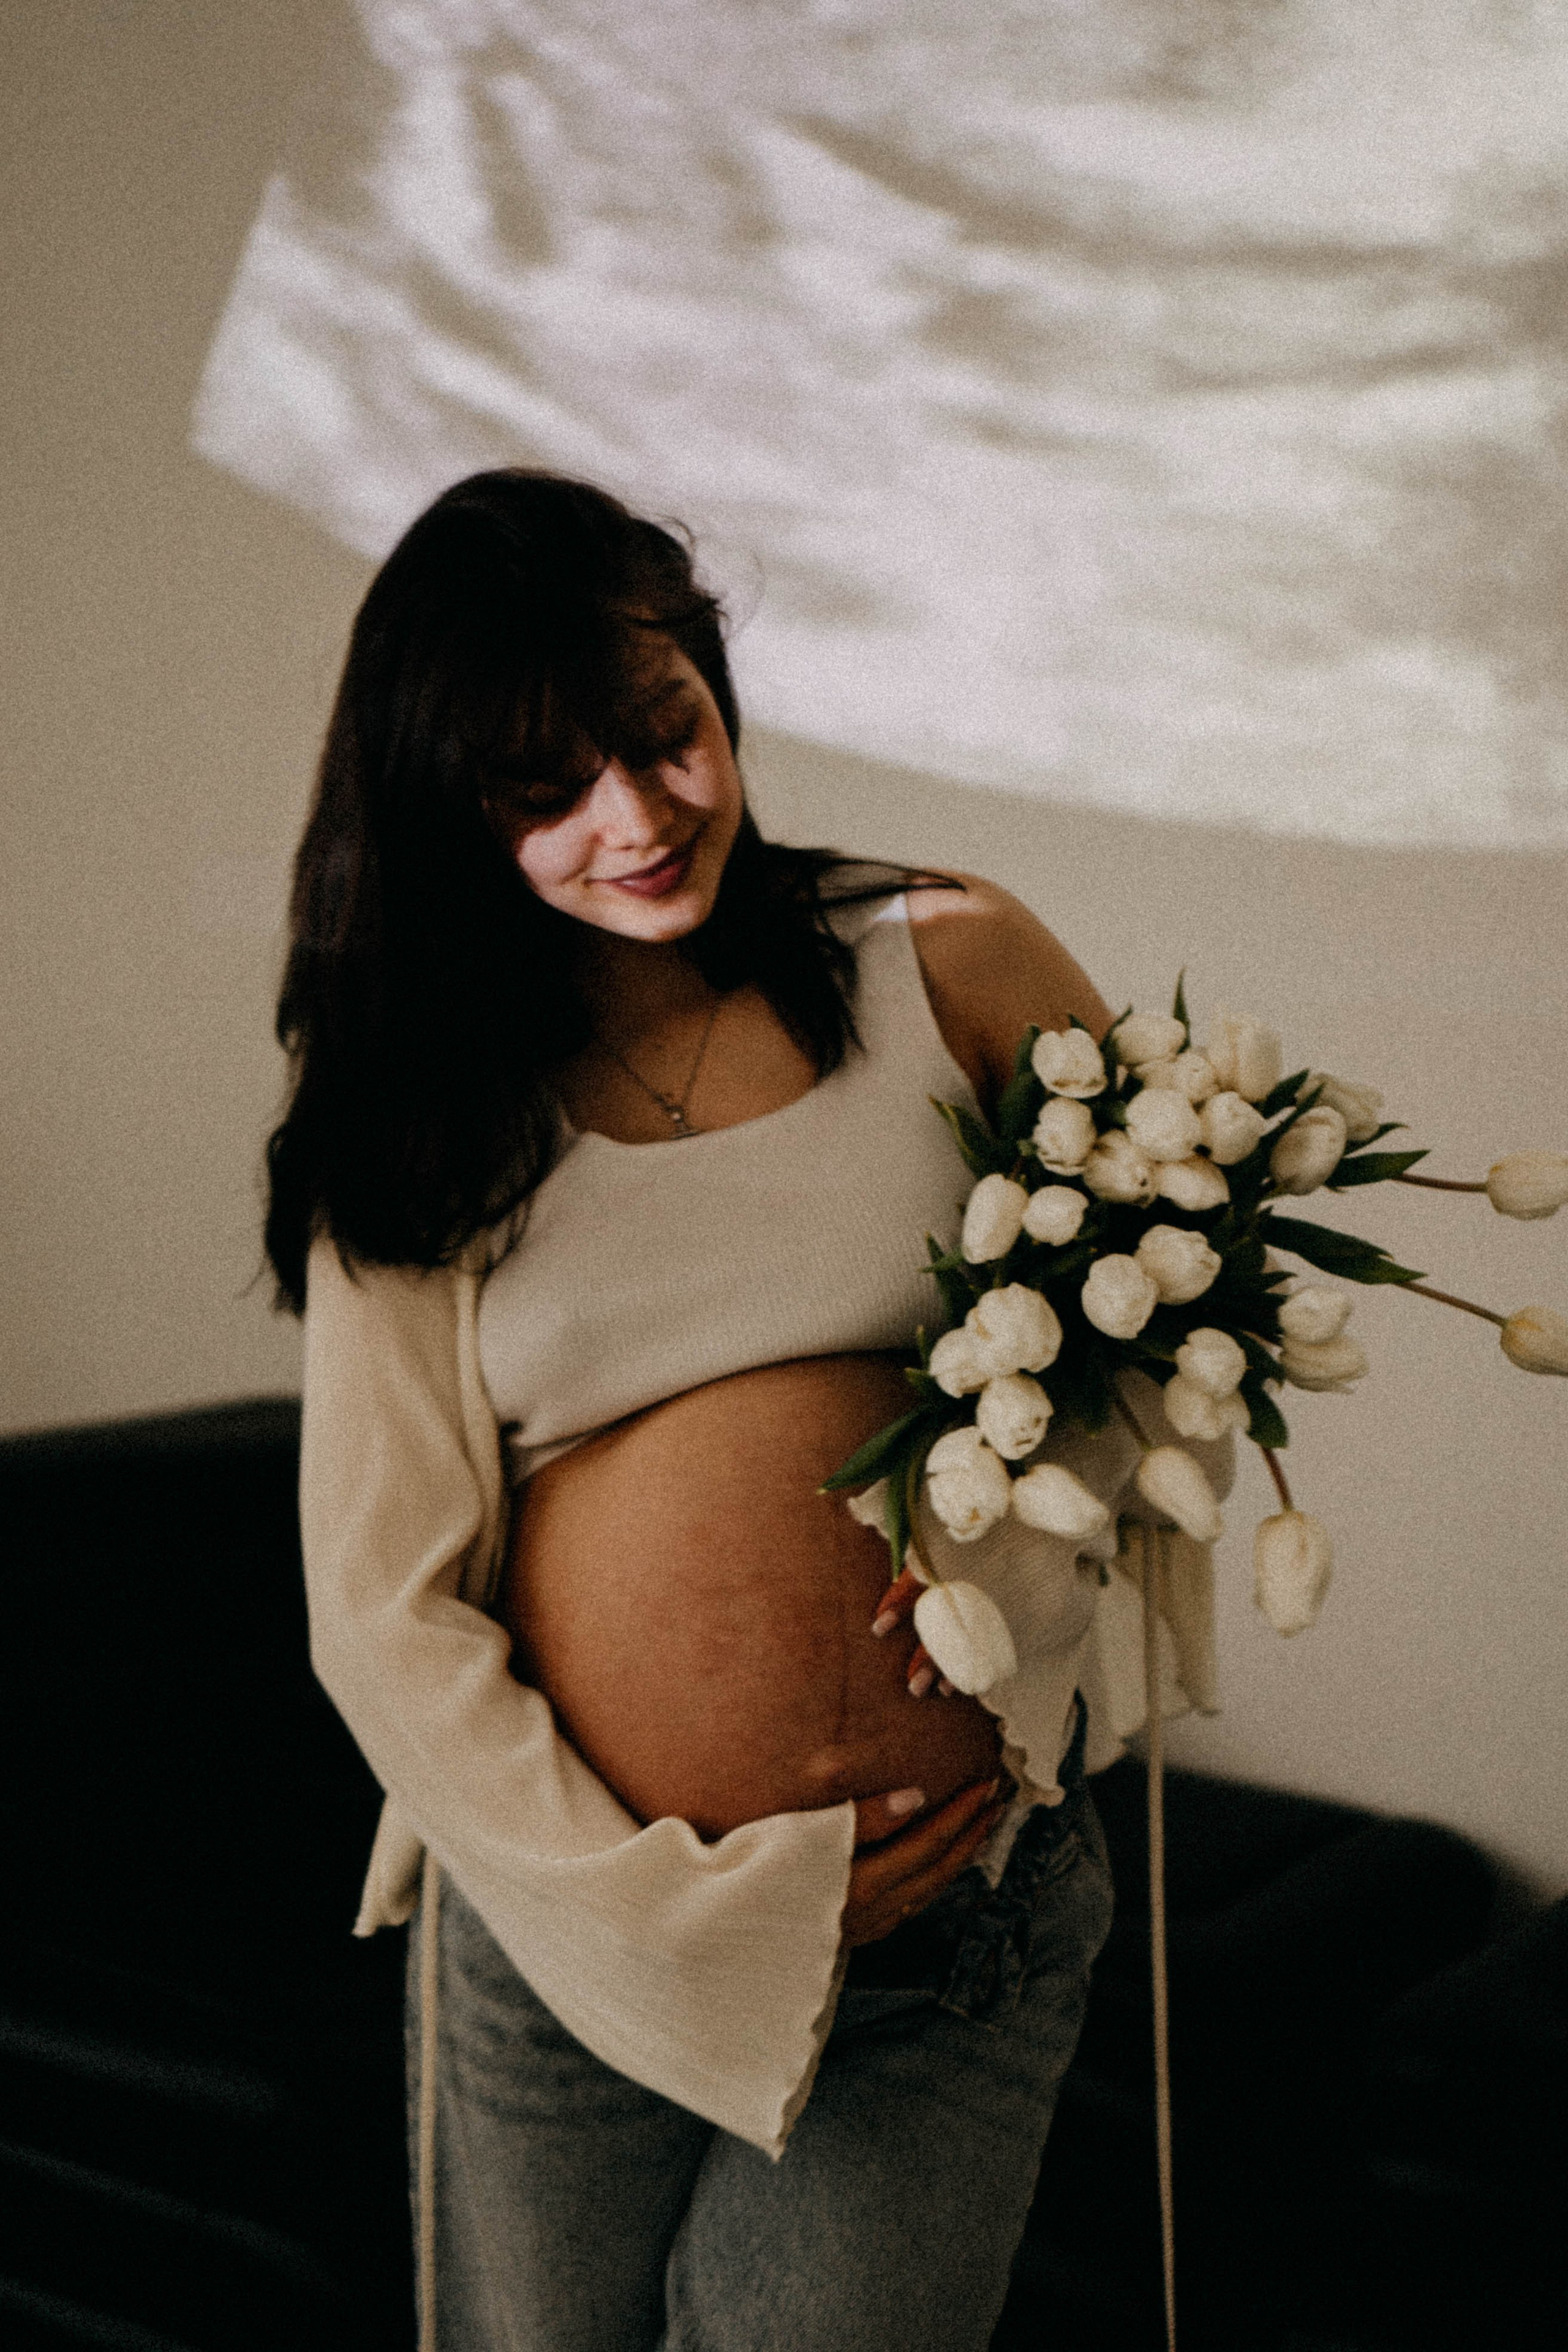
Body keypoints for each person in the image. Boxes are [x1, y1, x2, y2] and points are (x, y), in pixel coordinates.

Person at [268, 469, 1216, 2352]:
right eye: (544, 788)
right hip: (577, 1943)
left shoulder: (947, 958)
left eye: (663, 733)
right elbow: (379, 1608)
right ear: (448, 806)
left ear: (714, 679)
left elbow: (1168, 1327)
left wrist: (1007, 1578)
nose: (635, 817)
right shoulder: (418, 1107)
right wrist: (660, 1912)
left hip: (955, 1918)